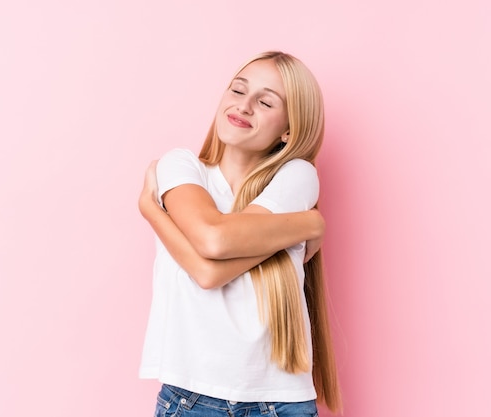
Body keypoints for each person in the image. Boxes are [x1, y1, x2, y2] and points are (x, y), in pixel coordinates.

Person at [138, 51, 342, 416]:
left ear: (289, 130)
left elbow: (213, 254)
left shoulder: (296, 175)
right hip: (191, 399)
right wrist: (312, 223)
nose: (244, 106)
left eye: (265, 101)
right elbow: (211, 256)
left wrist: (154, 211)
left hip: (281, 402)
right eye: (237, 90)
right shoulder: (182, 166)